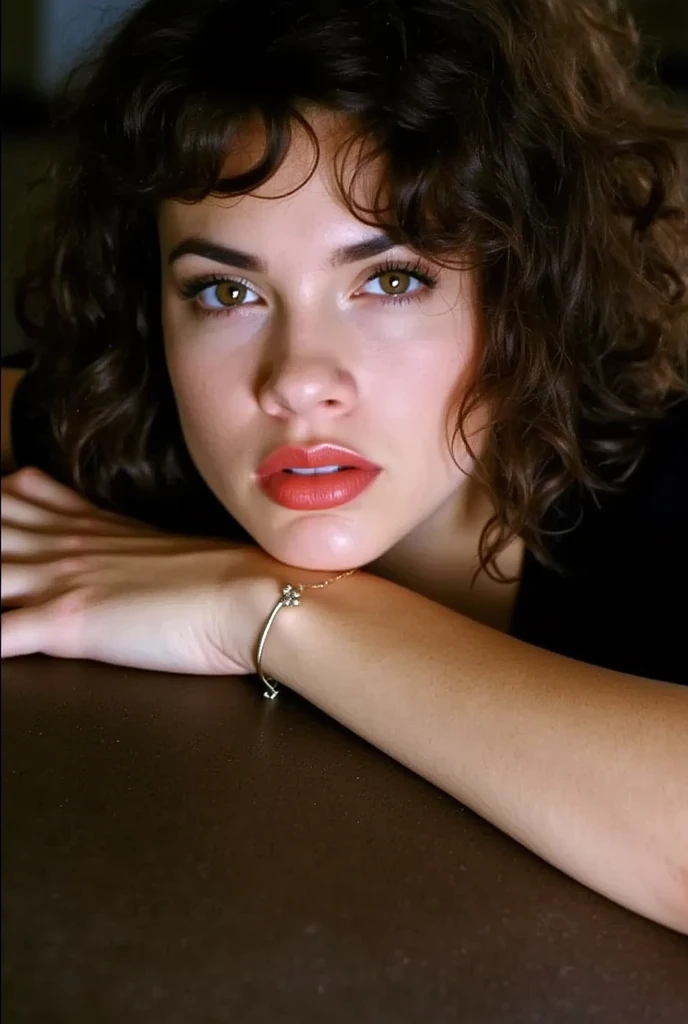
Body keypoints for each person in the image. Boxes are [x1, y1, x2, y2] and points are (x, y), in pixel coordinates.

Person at [1, 0, 687, 932]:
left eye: (392, 279)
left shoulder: (664, 486)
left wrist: (262, 606)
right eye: (226, 291)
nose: (296, 382)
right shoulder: (135, 425)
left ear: (528, 288)